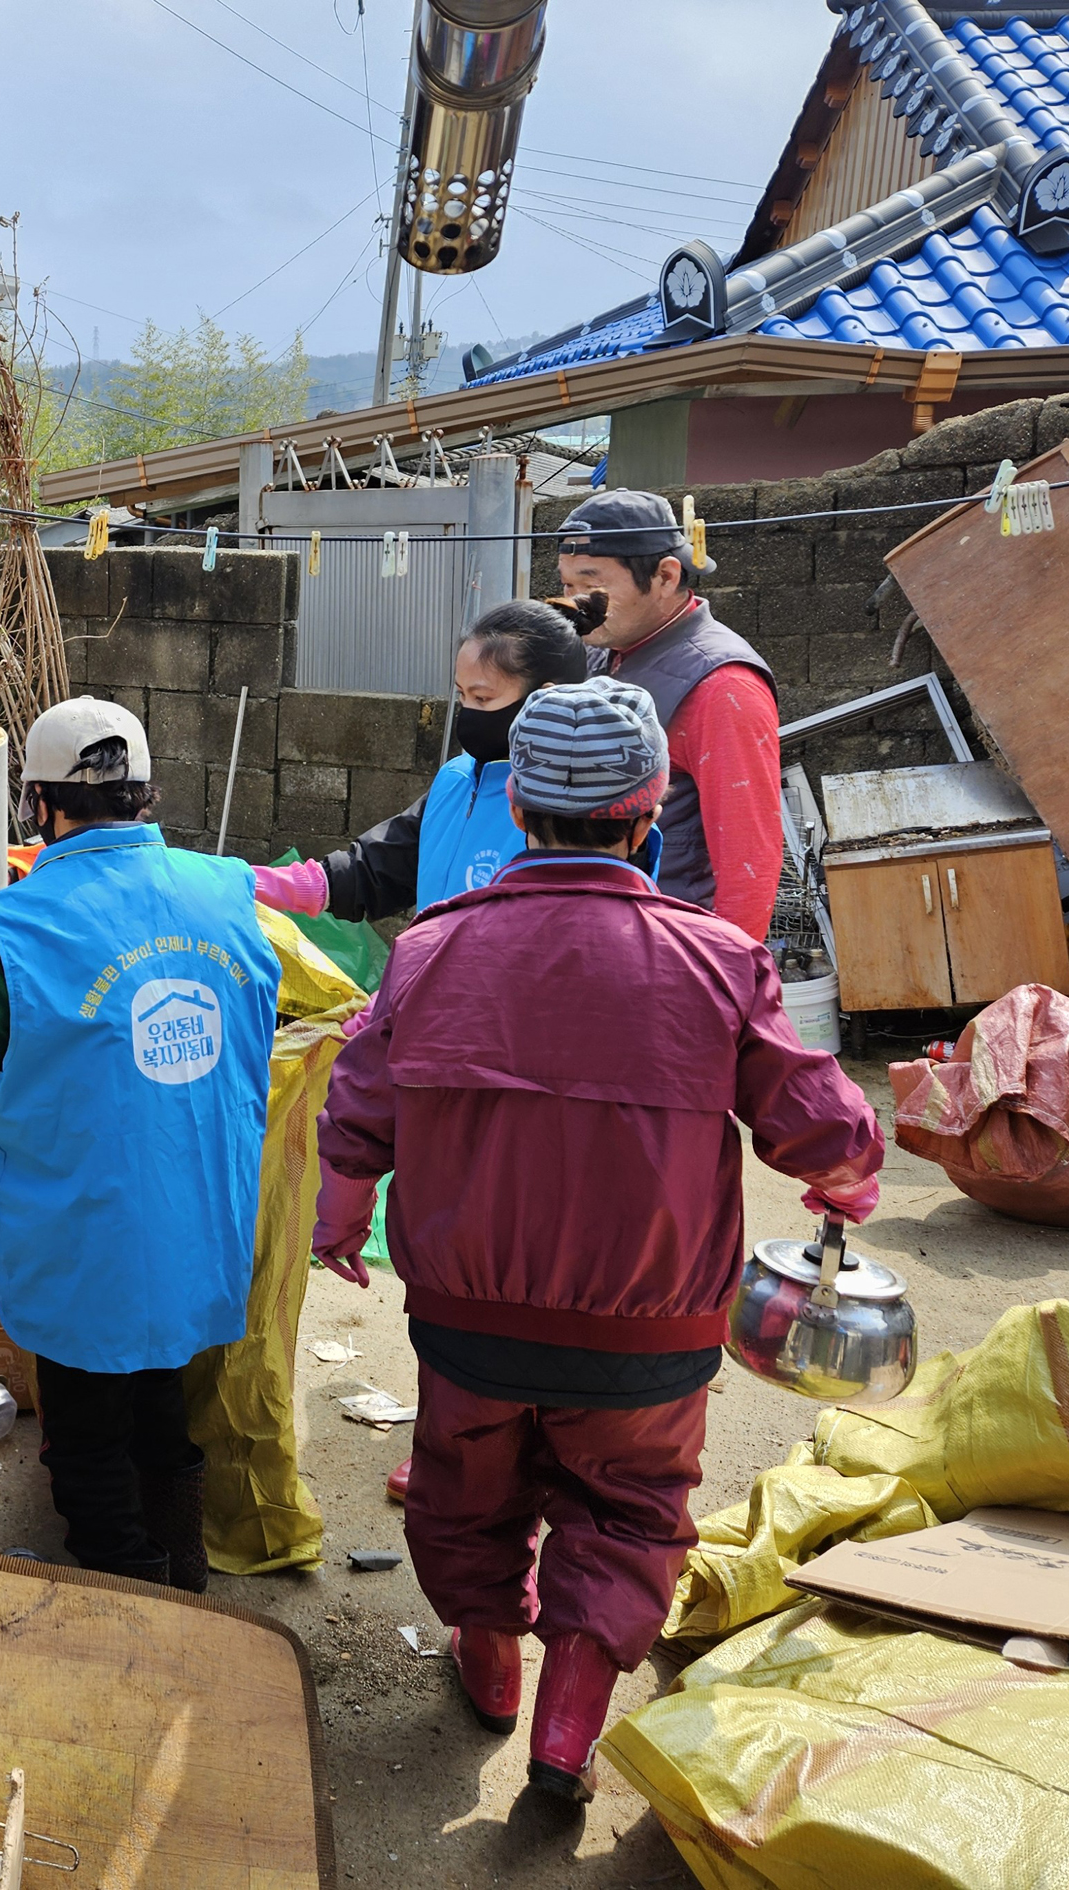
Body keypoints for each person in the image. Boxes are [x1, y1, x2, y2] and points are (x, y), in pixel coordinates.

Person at [310, 678, 882, 1803]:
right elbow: (823, 1127)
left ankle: (488, 1659)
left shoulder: (430, 951)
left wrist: (341, 1213)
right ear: (652, 808)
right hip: (652, 1330)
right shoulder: (717, 959)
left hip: (469, 1323)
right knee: (629, 1511)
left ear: (516, 805)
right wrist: (845, 1179)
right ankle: (568, 1725)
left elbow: (358, 1106)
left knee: (461, 1493)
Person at [0, 699, 281, 1591]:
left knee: (83, 1418)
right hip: (201, 1209)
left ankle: (122, 1585)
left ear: (38, 804)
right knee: (159, 1387)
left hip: (92, 1228)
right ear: (147, 793)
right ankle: (182, 1563)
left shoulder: (15, 924)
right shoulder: (226, 886)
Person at [252, 599, 592, 923]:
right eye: (462, 695)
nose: (468, 711)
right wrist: (255, 884)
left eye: (483, 698)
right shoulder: (455, 779)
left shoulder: (571, 812)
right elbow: (378, 867)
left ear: (546, 700)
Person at [549, 489, 783, 941]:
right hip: (593, 931)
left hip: (674, 945)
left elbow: (748, 860)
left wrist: (732, 981)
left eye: (592, 583)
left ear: (665, 575)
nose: (576, 602)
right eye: (567, 585)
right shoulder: (601, 651)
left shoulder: (723, 685)